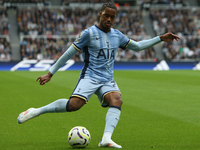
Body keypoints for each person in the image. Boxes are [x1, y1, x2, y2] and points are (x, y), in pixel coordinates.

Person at [17, 2, 180, 148]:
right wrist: (50, 73)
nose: (109, 19)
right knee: (74, 105)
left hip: (107, 79)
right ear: (100, 15)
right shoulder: (88, 33)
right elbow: (68, 53)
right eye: (106, 15)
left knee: (117, 100)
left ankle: (106, 139)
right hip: (90, 77)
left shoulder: (117, 35)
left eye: (112, 17)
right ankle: (37, 111)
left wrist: (160, 38)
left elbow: (137, 46)